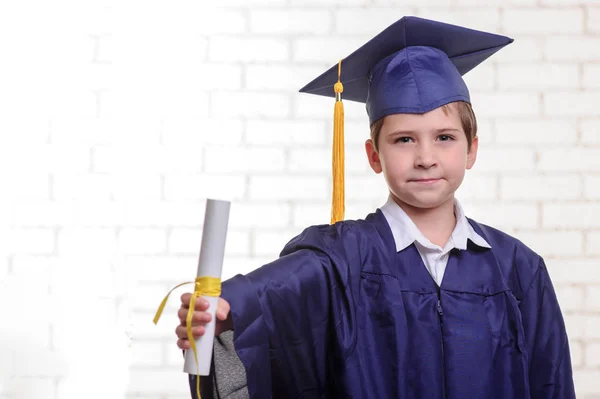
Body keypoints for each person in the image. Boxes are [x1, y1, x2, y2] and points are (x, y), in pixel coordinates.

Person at [174, 16, 576, 399]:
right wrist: (226, 313)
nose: (425, 157)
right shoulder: (338, 259)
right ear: (373, 155)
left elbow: (550, 382)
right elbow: (274, 296)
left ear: (471, 149)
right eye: (403, 140)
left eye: (445, 138)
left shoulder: (518, 269)